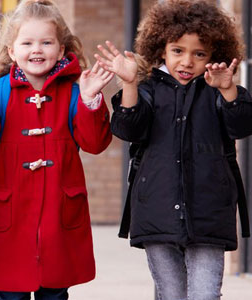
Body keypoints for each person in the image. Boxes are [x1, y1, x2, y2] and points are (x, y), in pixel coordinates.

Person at [97, 0, 252, 299]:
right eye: (178, 51)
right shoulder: (147, 88)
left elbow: (242, 127)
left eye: (199, 54)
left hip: (210, 211)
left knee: (205, 294)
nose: (187, 62)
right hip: (156, 209)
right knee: (171, 294)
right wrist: (129, 84)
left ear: (215, 55)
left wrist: (228, 91)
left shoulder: (219, 88)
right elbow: (129, 129)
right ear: (161, 49)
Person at [0, 0, 114, 298]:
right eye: (27, 42)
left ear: (60, 49)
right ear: (11, 51)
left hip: (58, 215)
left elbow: (94, 144)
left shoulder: (74, 92)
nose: (37, 49)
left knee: (55, 292)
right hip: (10, 217)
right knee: (9, 292)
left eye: (46, 42)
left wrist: (90, 99)